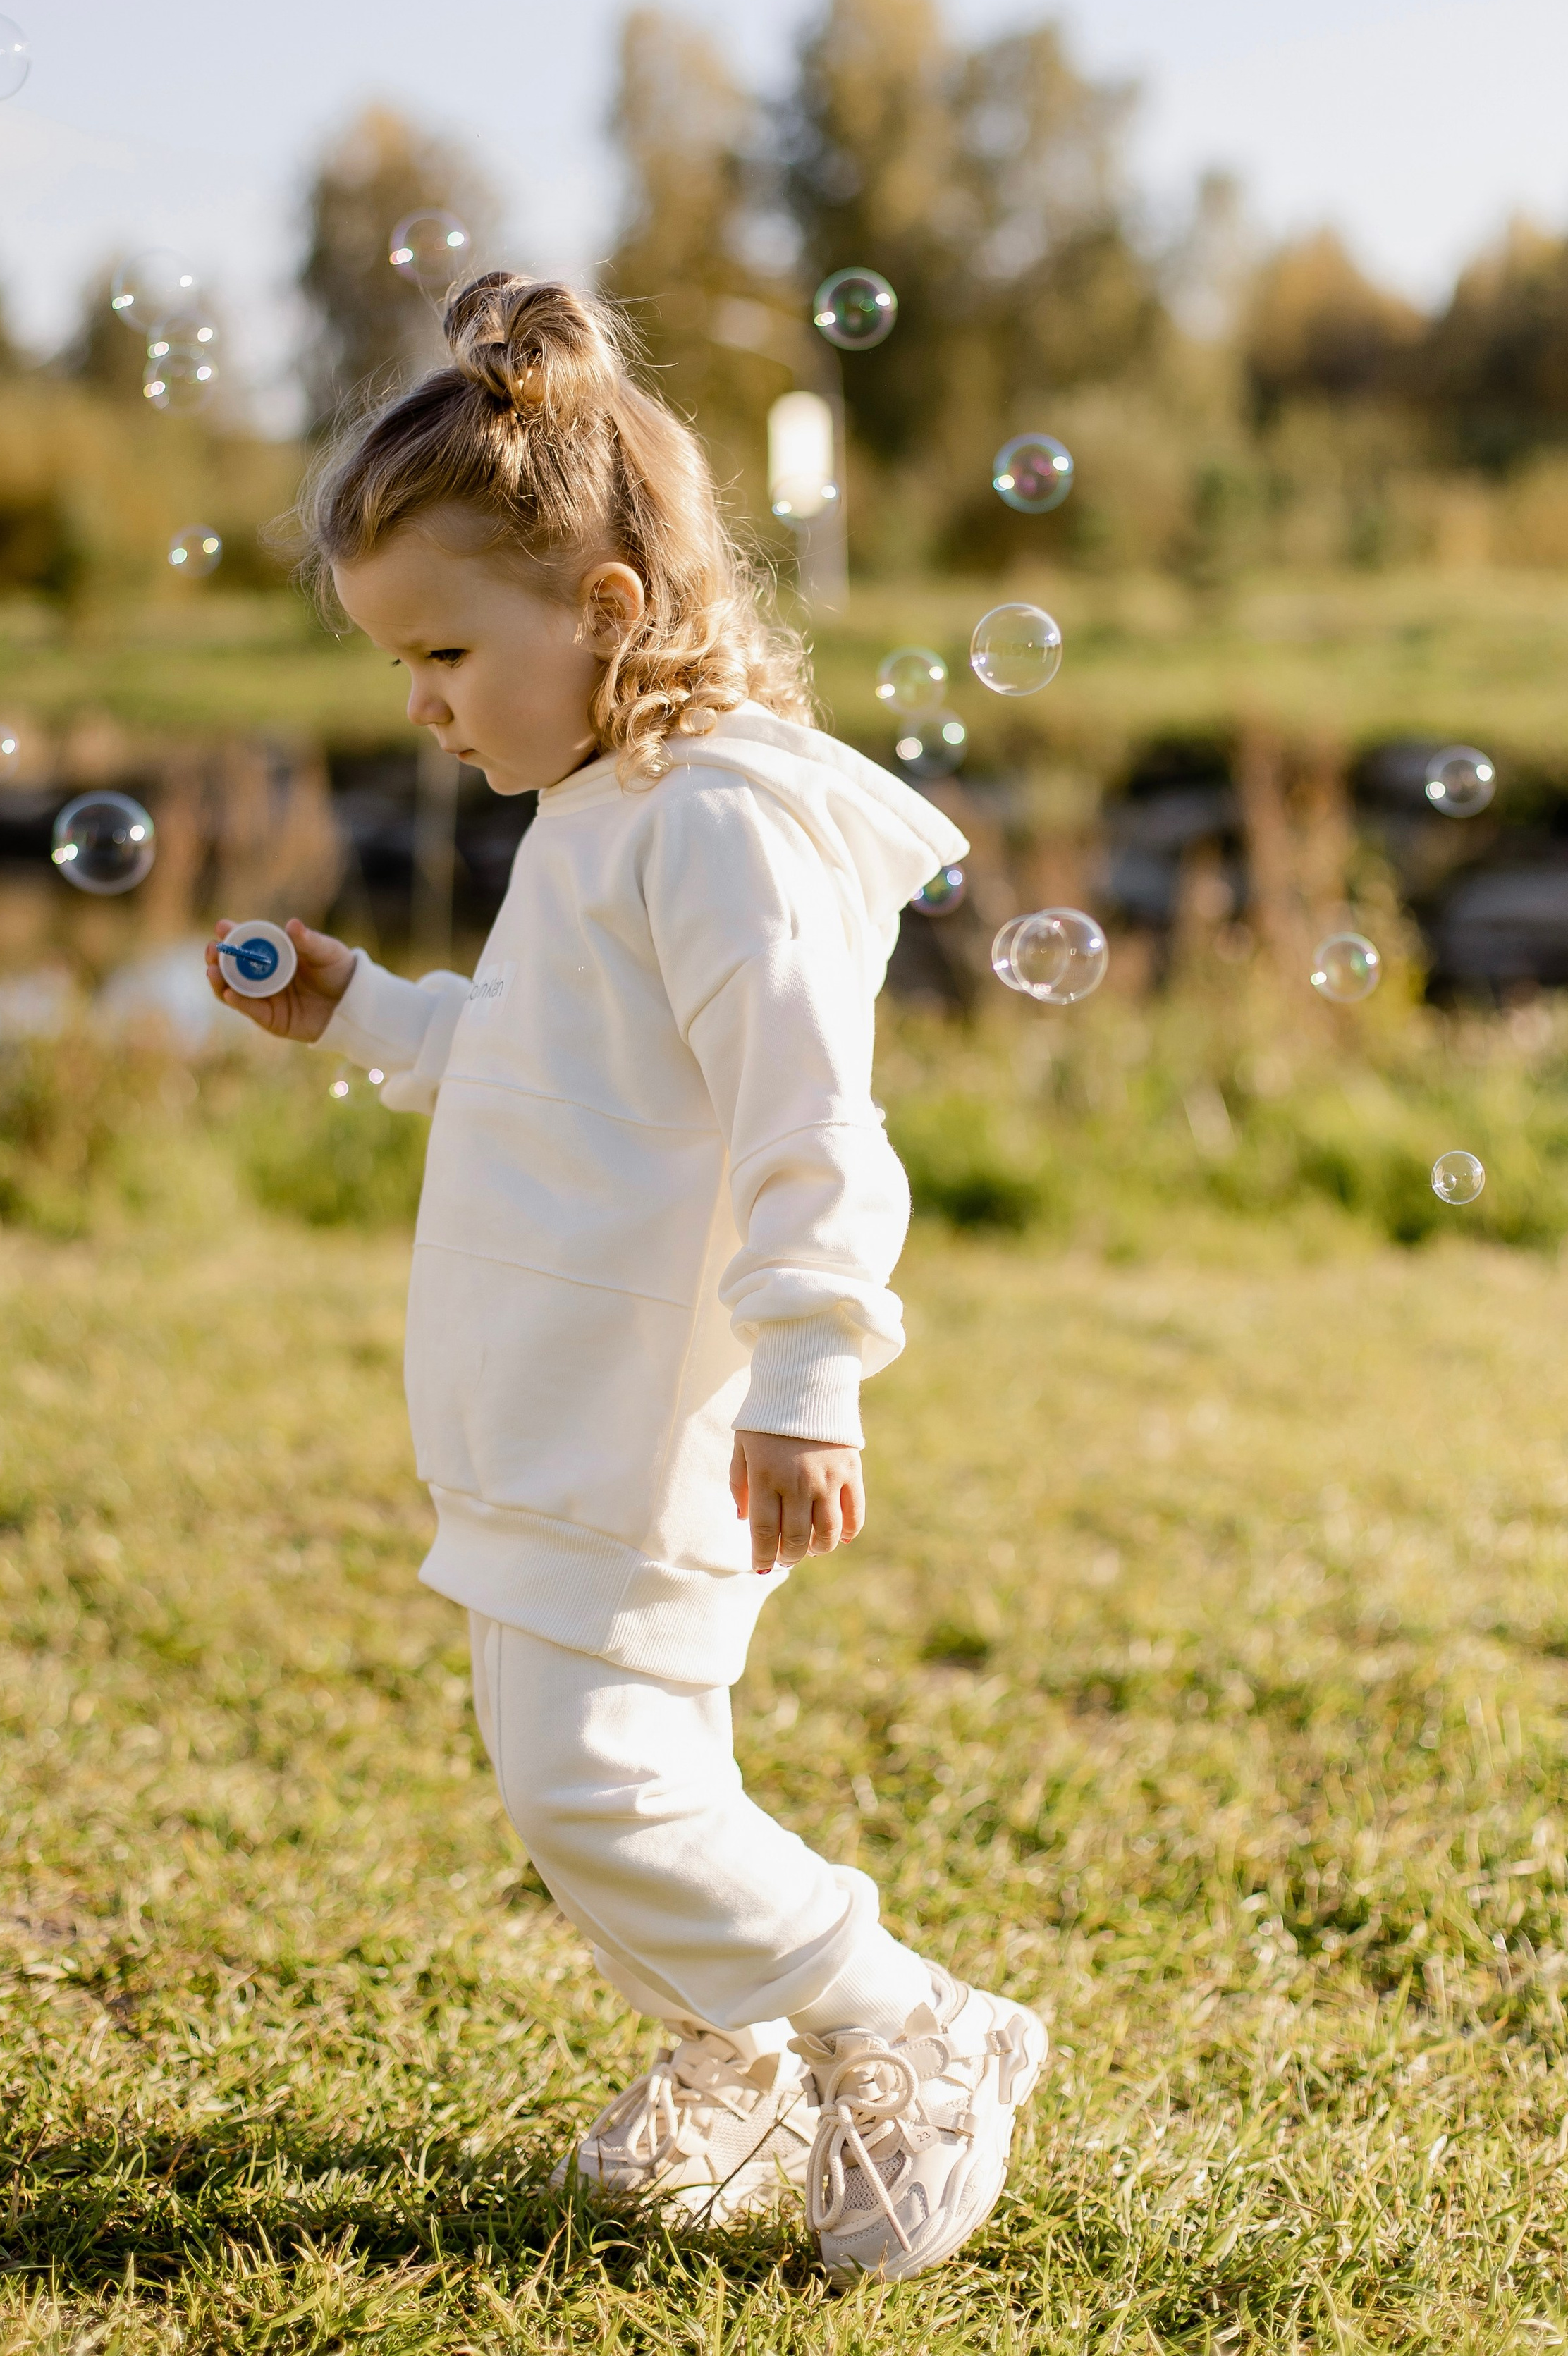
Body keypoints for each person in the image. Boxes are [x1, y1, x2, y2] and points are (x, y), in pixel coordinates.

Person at [205, 271, 1047, 2281]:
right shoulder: (600, 810)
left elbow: (806, 1121)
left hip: (661, 1419)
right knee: (573, 1777)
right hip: (542, 1418)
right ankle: (731, 2048)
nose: (421, 701)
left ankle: (905, 2020)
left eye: (442, 650)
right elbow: (551, 1069)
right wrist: (372, 1015)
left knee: (604, 1786)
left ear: (600, 608)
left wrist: (811, 1365)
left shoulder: (721, 823)